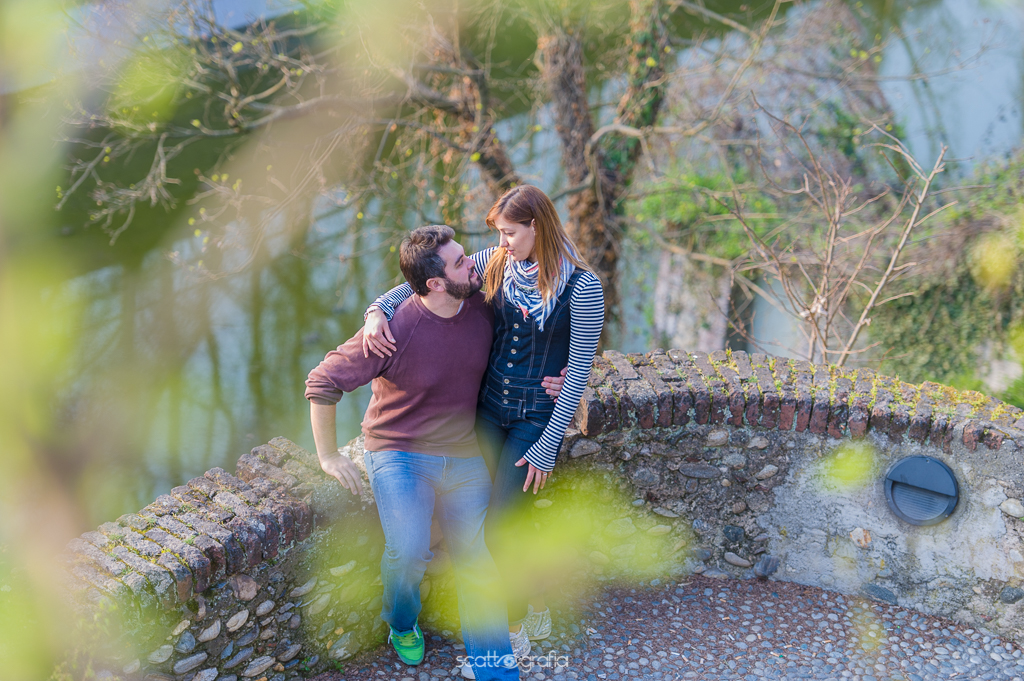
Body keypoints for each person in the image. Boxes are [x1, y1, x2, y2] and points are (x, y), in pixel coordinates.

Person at [363, 185, 605, 650]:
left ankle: (515, 617)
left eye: (510, 232)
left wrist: (549, 443)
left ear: (537, 227)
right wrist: (377, 311)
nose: (501, 242)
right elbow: (422, 279)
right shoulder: (498, 261)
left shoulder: (583, 285)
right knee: (475, 525)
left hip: (534, 419)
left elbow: (576, 373)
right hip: (487, 412)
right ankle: (499, 611)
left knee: (504, 521)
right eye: (498, 233)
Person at [305, 225, 521, 681]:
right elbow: (322, 382)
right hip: (398, 451)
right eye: (461, 262)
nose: (474, 264)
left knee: (477, 558)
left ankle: (497, 672)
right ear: (435, 284)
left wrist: (557, 377)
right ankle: (401, 623)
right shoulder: (394, 328)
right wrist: (328, 456)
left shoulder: (482, 303)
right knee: (408, 551)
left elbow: (535, 323)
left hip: (463, 455)